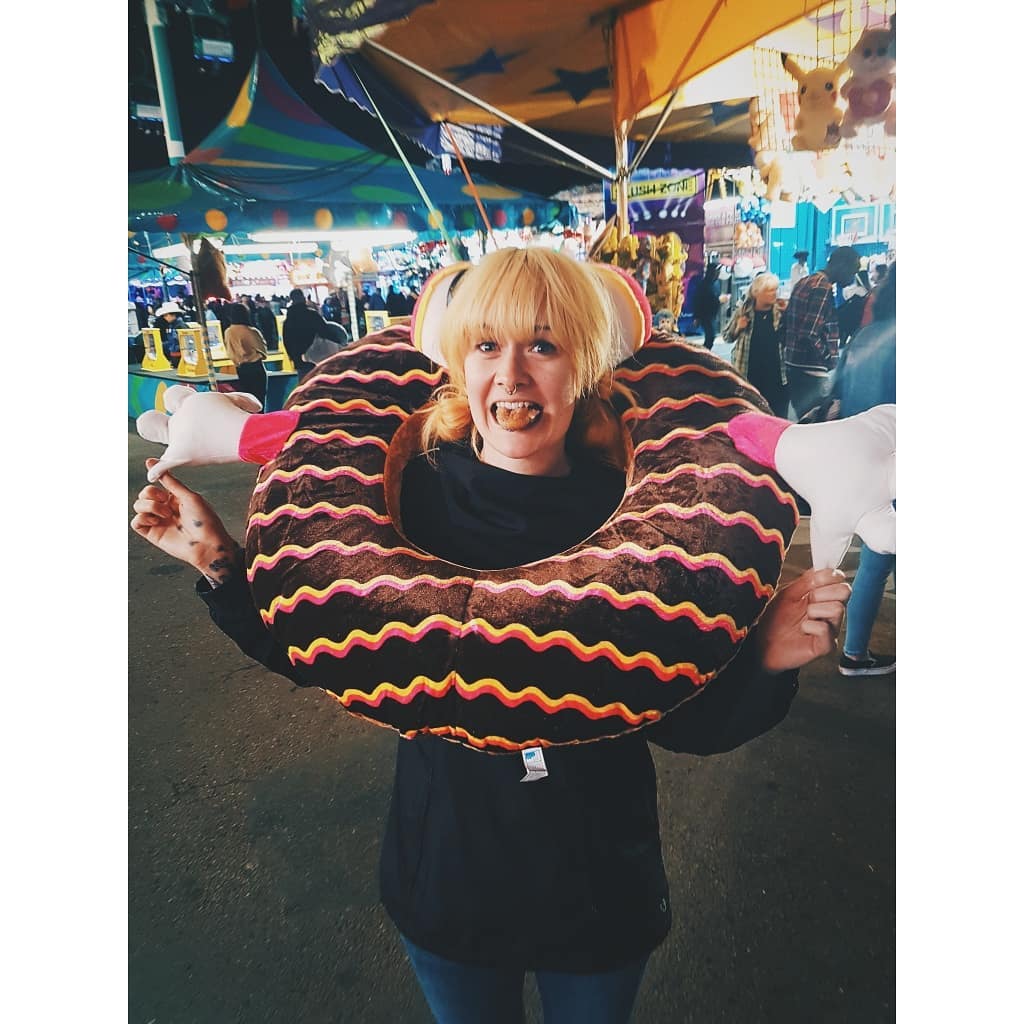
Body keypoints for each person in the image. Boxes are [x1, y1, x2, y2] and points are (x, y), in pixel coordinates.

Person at [131, 247, 850, 1023]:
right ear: (457, 363)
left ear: (586, 365)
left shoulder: (643, 524)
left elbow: (681, 719)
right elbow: (325, 649)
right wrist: (220, 562)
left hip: (597, 885)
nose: (511, 375)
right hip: (448, 878)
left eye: (544, 345)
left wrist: (763, 658)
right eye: (486, 345)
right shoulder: (403, 499)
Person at [834, 264, 896, 677]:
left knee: (877, 554)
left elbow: (838, 392)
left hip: (866, 458)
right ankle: (854, 654)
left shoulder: (866, 336)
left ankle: (854, 652)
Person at [781, 246, 861, 420]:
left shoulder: (805, 282)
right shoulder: (823, 287)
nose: (852, 278)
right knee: (819, 424)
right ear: (841, 265)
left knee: (806, 421)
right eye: (852, 271)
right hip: (811, 370)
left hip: (794, 365)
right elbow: (809, 333)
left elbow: (785, 323)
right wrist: (828, 358)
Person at [722, 272, 789, 417]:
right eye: (769, 290)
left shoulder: (780, 312)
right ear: (757, 292)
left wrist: (787, 314)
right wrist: (738, 327)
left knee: (778, 416)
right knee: (752, 415)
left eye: (775, 290)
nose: (774, 294)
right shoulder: (743, 312)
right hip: (749, 374)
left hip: (776, 376)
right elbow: (727, 337)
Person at [223, 301, 269, 410]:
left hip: (240, 369)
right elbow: (263, 350)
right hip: (256, 368)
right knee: (259, 400)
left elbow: (229, 351)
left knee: (247, 400)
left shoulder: (228, 332)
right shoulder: (251, 331)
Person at [282, 288, 329, 381]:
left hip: (299, 359)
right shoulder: (312, 315)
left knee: (305, 383)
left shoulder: (289, 319)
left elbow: (286, 340)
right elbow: (325, 332)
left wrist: (294, 357)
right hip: (318, 356)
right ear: (303, 298)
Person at [692, 260, 725, 350]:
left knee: (711, 337)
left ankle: (704, 352)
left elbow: (716, 296)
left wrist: (720, 300)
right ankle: (703, 352)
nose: (718, 273)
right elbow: (698, 301)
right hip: (705, 315)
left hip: (713, 314)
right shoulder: (703, 285)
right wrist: (696, 317)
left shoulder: (716, 283)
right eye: (717, 271)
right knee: (710, 336)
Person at [153, 300, 189, 367]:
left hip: (182, 358)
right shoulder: (172, 325)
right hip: (175, 357)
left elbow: (186, 344)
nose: (164, 317)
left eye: (166, 315)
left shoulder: (181, 326)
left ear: (173, 314)